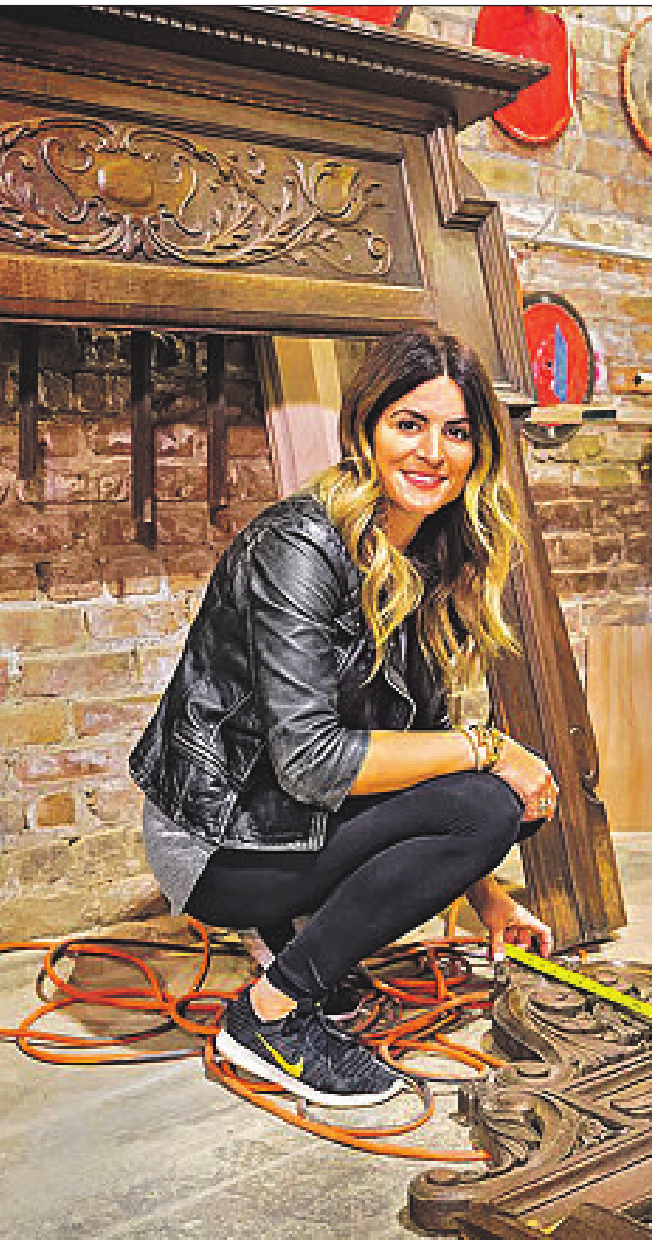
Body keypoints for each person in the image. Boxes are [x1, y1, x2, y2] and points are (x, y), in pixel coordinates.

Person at [129, 326, 557, 1108]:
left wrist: (487, 898)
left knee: (508, 803)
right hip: (218, 841)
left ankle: (292, 940)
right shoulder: (298, 546)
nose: (432, 452)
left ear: (479, 451)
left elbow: (421, 749)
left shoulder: (427, 555)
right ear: (367, 428)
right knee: (489, 797)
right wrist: (490, 748)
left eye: (457, 432)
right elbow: (312, 761)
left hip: (288, 815)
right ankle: (270, 1015)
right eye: (409, 424)